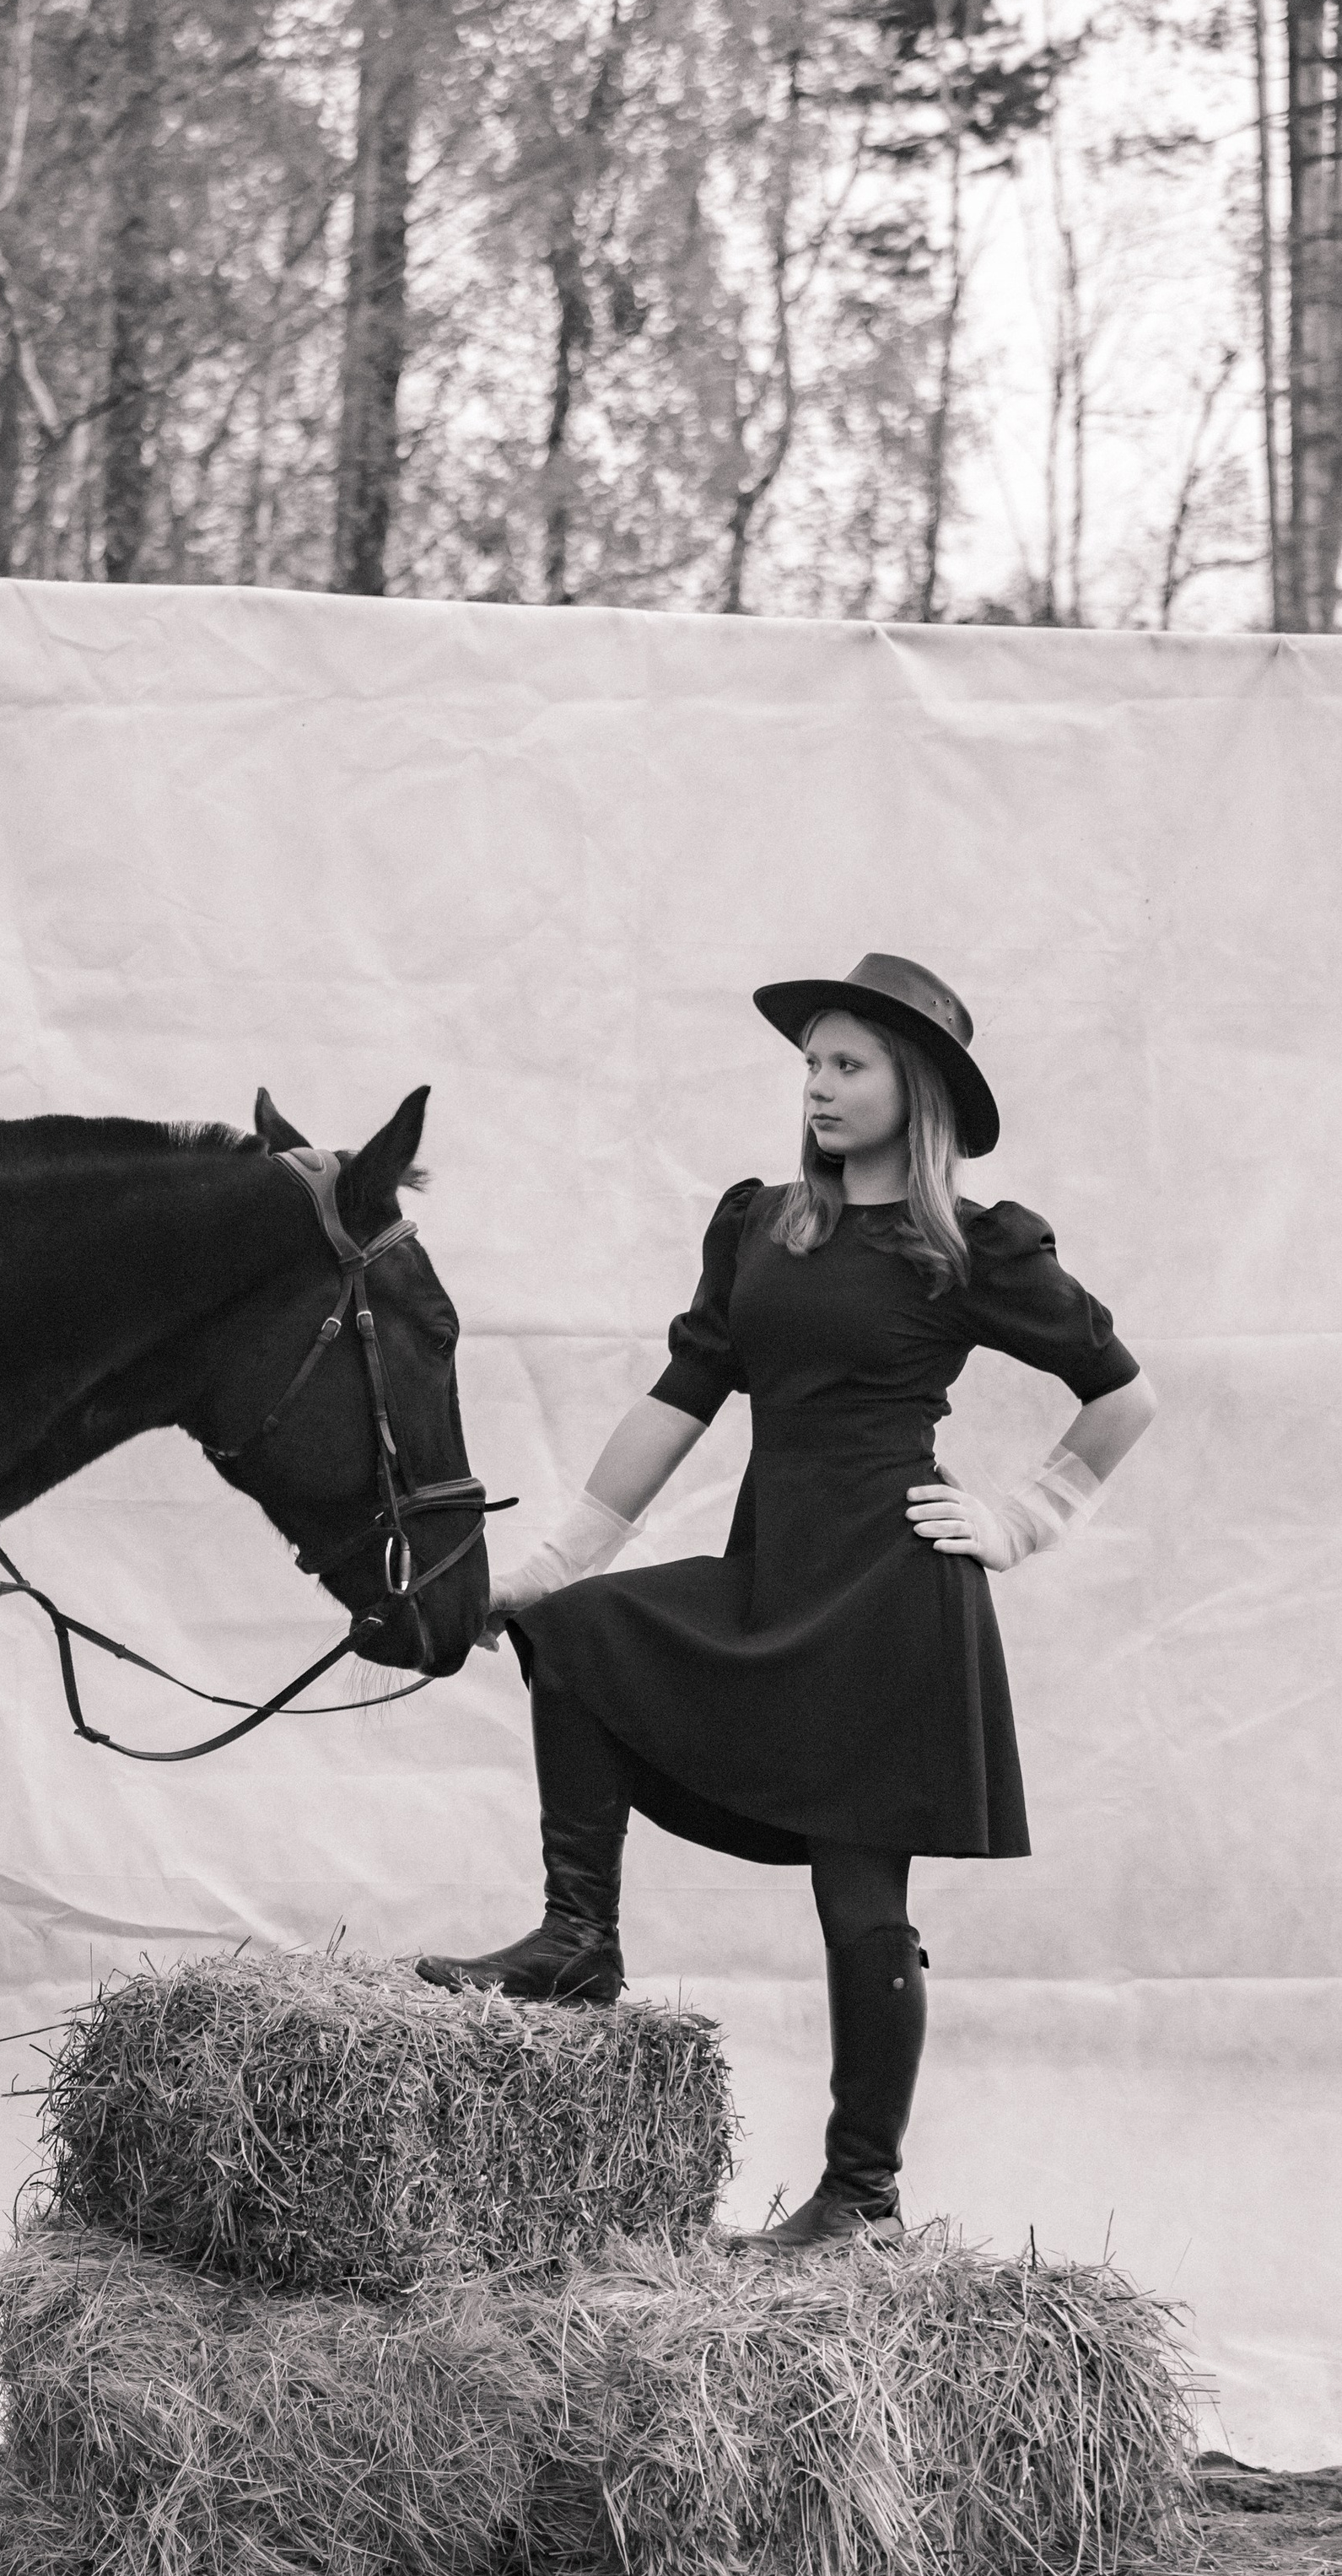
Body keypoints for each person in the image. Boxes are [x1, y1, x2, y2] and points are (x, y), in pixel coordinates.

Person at [418, 952, 1158, 2250]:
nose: (816, 1085)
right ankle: (578, 1941)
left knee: (860, 1907)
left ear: (911, 1086)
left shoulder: (972, 1247)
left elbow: (1123, 1395)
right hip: (772, 1575)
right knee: (576, 1639)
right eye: (809, 1062)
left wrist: (1019, 1520)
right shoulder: (762, 1224)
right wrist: (550, 1563)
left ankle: (860, 2196)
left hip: (890, 1601)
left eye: (847, 1064)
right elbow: (679, 1400)